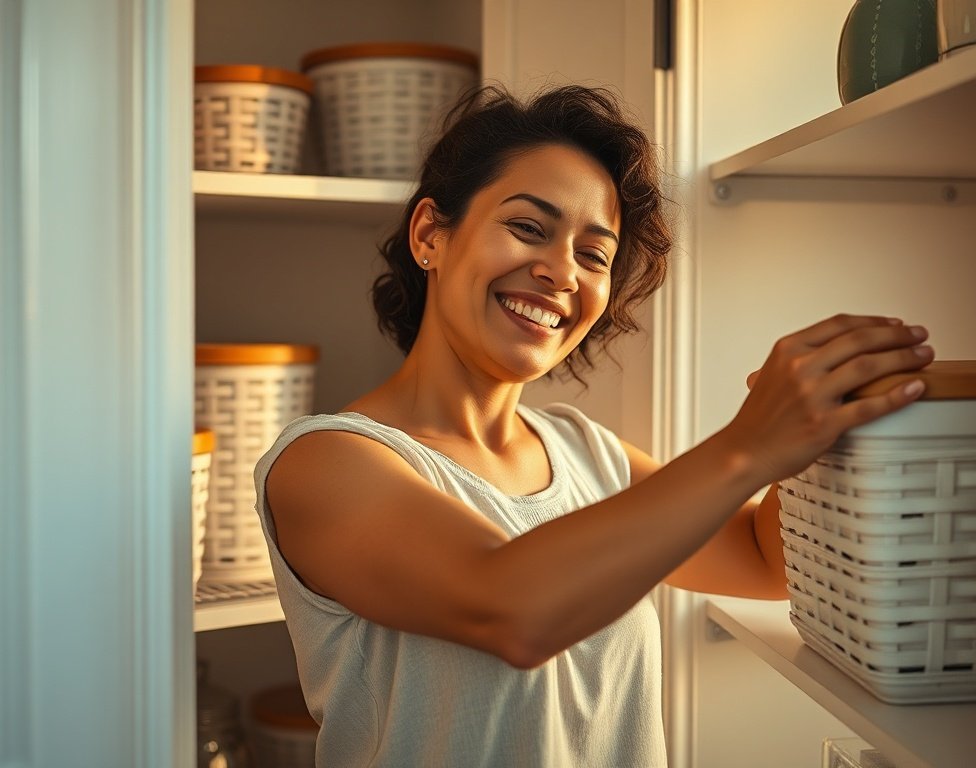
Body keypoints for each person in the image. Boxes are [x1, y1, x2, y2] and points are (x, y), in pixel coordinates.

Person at [254, 84, 933, 768]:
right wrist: (752, 441)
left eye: (594, 255)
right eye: (528, 227)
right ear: (431, 234)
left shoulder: (587, 456)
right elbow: (513, 610)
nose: (560, 273)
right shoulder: (324, 462)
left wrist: (829, 415)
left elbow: (769, 562)